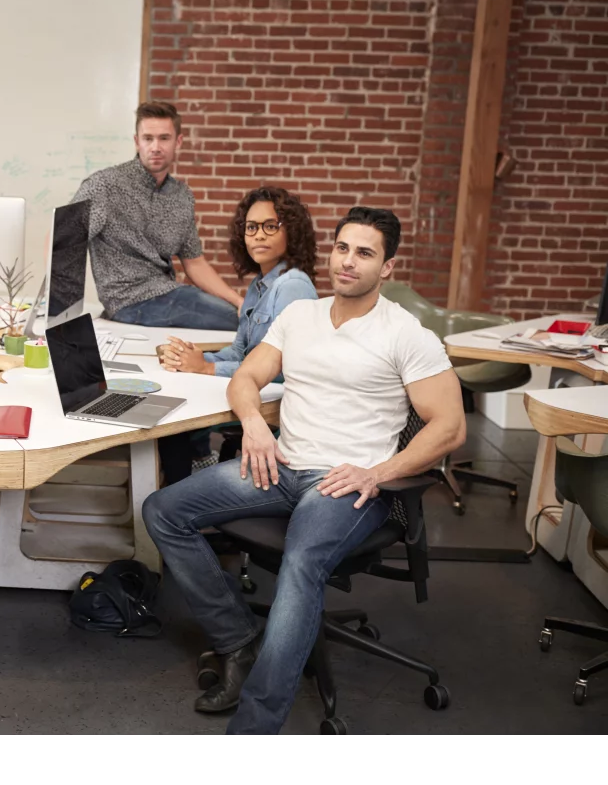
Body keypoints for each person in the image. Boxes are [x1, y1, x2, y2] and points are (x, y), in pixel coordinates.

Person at [142, 206, 467, 740]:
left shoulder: (407, 334)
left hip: (345, 482)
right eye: (343, 248)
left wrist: (378, 473)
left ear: (387, 267)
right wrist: (253, 424)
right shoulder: (300, 316)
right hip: (281, 465)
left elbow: (450, 427)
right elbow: (246, 377)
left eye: (365, 253)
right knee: (163, 510)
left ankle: (254, 729)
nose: (348, 261)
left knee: (301, 562)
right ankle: (239, 639)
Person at [156, 186, 319, 482]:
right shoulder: (260, 284)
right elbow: (239, 351)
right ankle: (186, 483)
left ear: (291, 231)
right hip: (252, 389)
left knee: (173, 422)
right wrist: (193, 359)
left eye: (270, 226)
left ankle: (180, 489)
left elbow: (282, 369)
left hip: (276, 401)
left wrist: (207, 368)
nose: (258, 235)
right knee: (174, 400)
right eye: (251, 227)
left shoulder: (292, 286)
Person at [72, 101, 242, 331]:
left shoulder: (182, 196)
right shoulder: (104, 185)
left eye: (164, 138)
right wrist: (61, 310)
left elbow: (194, 262)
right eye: (148, 138)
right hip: (127, 301)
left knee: (242, 316)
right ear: (137, 142)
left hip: (167, 293)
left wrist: (239, 301)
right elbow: (61, 239)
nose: (155, 147)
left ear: (178, 141)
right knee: (242, 323)